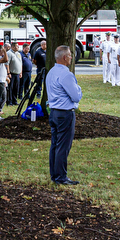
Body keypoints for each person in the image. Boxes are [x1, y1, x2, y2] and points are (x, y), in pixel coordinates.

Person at [45, 45, 82, 186]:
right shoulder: (66, 74)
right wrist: (79, 89)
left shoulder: (52, 72)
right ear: (65, 57)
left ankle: (55, 174)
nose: (72, 57)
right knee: (63, 146)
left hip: (54, 112)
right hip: (64, 113)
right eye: (70, 55)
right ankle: (60, 176)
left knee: (55, 144)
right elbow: (76, 96)